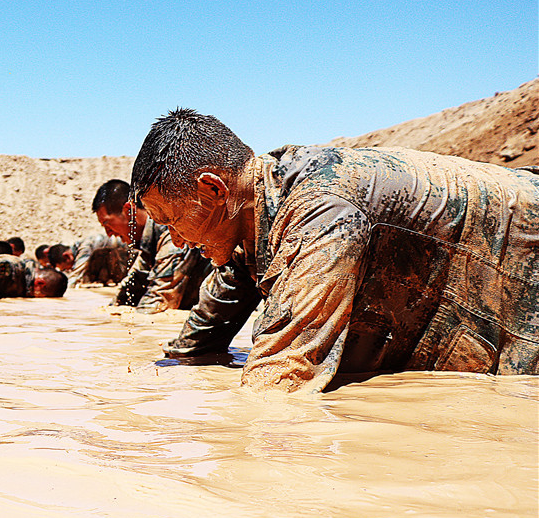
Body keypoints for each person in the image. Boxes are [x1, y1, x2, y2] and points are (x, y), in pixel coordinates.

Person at [131, 108, 539, 393]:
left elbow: (282, 379)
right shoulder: (249, 218)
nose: (177, 242)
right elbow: (197, 343)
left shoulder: (320, 206)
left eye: (170, 221)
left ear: (214, 190)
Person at [91, 179, 211, 312]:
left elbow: (157, 306)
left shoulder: (172, 232)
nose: (108, 234)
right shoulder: (148, 244)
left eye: (107, 224)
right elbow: (129, 289)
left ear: (129, 211)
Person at [48, 234, 131, 287]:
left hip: (130, 250)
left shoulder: (85, 247)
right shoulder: (81, 247)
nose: (68, 270)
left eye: (65, 268)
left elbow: (76, 276)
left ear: (66, 256)